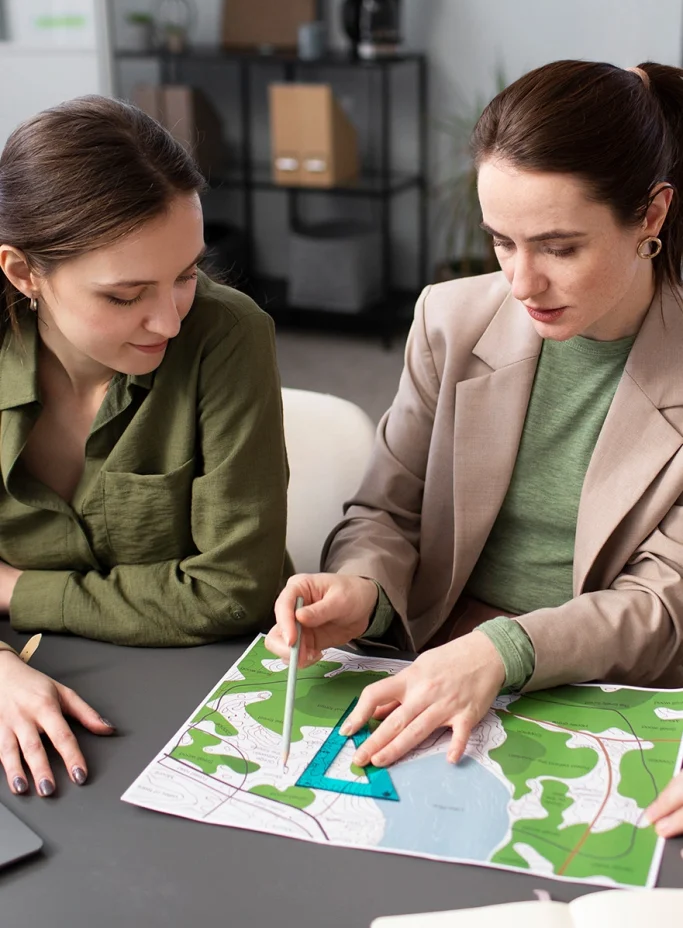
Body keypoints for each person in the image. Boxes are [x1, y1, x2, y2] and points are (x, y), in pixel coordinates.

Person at [267, 59, 683, 779]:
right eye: (500, 241)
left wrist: (503, 649)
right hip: (435, 651)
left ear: (649, 215)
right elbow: (384, 513)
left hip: (595, 685)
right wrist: (363, 590)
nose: (521, 282)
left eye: (559, 247)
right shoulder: (450, 319)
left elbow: (658, 606)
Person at [0, 96, 290, 797]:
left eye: (186, 273)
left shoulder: (227, 336)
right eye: (126, 295)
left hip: (202, 689)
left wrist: (13, 588)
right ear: (22, 273)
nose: (167, 318)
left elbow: (232, 595)